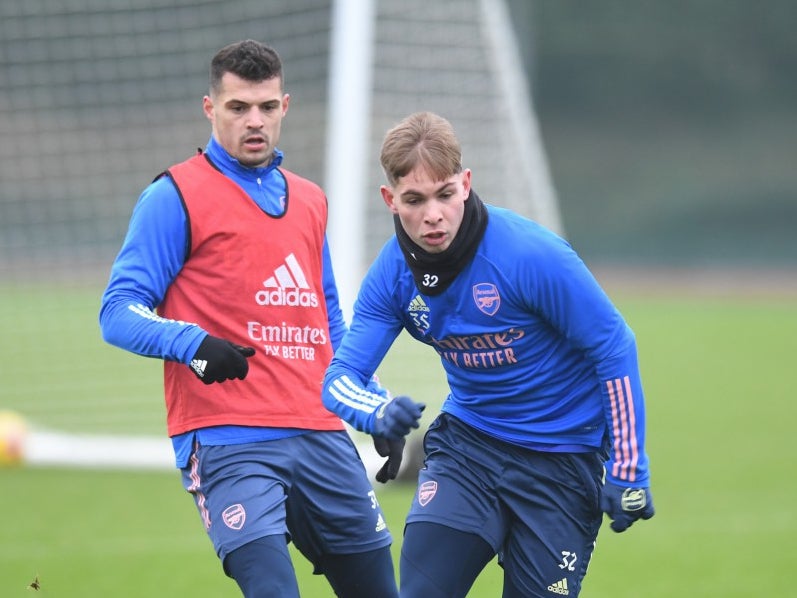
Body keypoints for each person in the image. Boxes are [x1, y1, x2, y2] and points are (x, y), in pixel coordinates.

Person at [99, 40, 403, 598]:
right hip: (228, 441)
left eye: (266, 107)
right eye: (238, 108)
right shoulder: (174, 196)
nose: (254, 121)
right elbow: (117, 312)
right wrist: (193, 343)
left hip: (320, 432)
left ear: (285, 106)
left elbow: (329, 321)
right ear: (210, 108)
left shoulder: (310, 200)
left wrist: (372, 407)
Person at [321, 111, 655, 597]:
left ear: (466, 183)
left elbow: (613, 345)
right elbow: (340, 377)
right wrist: (377, 411)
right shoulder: (392, 275)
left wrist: (629, 467)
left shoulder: (528, 254)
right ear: (390, 200)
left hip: (562, 463)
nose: (432, 214)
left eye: (445, 194)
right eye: (414, 200)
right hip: (468, 452)